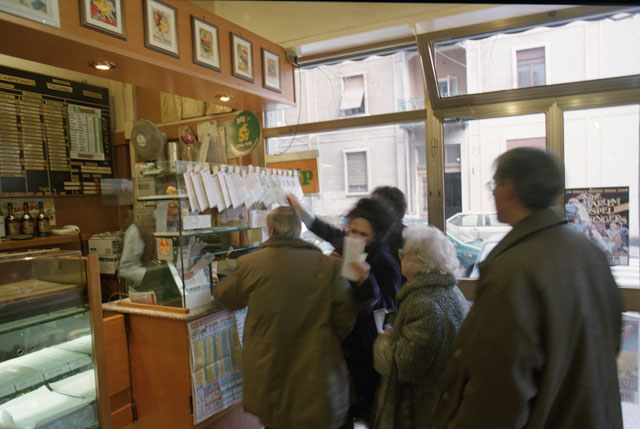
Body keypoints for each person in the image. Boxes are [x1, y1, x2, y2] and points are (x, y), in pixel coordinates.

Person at [432, 147, 623, 428]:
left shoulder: (513, 269)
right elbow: (610, 339)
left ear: (509, 188)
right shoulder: (589, 251)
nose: (493, 193)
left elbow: (499, 390)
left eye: (495, 184)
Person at [213, 206, 356, 429]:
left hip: (270, 372)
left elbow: (226, 296)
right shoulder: (328, 266)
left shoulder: (250, 264)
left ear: (270, 231)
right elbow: (345, 318)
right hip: (316, 371)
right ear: (298, 231)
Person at [371, 224, 468, 428]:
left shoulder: (424, 304)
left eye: (403, 253)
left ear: (418, 260)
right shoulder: (452, 292)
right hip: (442, 407)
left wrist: (383, 342)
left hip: (419, 414)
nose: (400, 258)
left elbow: (401, 366)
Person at [119, 186, 179, 288]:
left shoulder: (177, 226)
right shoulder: (139, 229)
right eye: (171, 206)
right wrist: (157, 276)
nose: (175, 212)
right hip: (146, 290)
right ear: (159, 204)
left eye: (178, 207)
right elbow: (126, 268)